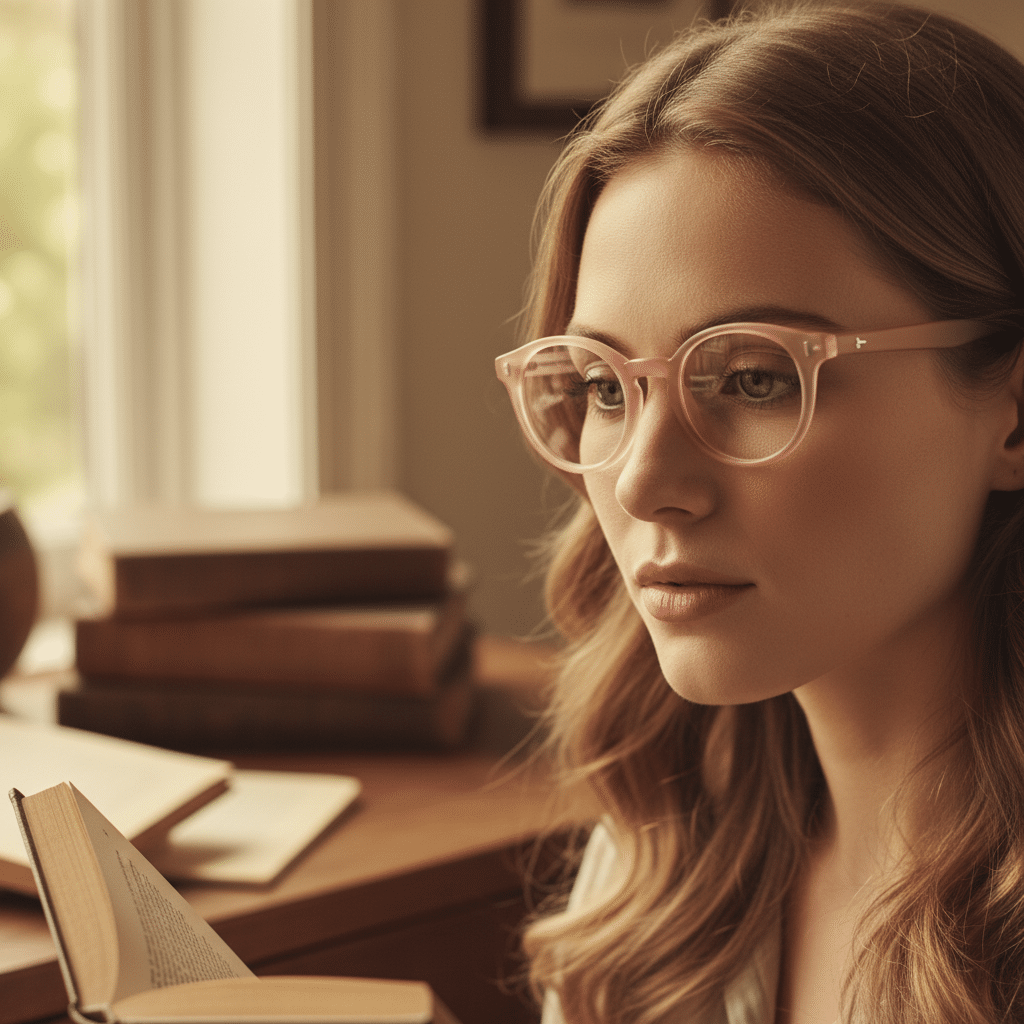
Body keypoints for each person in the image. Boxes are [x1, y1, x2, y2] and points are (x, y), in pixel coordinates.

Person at [493, 2, 1024, 1021]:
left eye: (752, 378)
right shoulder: (657, 874)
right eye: (605, 386)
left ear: (1012, 413)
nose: (642, 482)